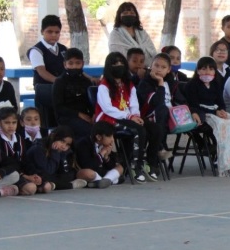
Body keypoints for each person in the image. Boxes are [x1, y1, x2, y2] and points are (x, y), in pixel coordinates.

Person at [94, 52, 161, 183]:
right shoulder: (104, 85)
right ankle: (136, 166)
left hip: (128, 117)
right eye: (115, 64)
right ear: (109, 67)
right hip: (109, 119)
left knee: (155, 129)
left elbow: (134, 103)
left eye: (121, 63)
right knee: (138, 130)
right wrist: (129, 116)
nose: (118, 66)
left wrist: (135, 115)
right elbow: (107, 108)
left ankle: (151, 164)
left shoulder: (128, 84)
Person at [183, 57, 230, 176]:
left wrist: (222, 111)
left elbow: (221, 102)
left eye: (211, 69)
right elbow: (192, 105)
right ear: (197, 70)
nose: (207, 72)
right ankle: (220, 157)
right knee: (222, 125)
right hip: (202, 113)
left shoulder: (215, 84)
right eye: (203, 69)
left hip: (215, 111)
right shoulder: (191, 85)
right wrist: (215, 113)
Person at [135, 53, 176, 161]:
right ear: (151, 66)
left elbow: (180, 100)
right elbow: (157, 102)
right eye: (156, 65)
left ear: (168, 70)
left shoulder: (171, 82)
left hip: (169, 116)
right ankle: (160, 147)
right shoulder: (145, 83)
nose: (159, 69)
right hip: (148, 115)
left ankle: (159, 147)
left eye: (163, 67)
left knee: (166, 112)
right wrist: (160, 84)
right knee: (162, 110)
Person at [53, 48, 94, 139]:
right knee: (89, 131)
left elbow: (90, 103)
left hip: (85, 116)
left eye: (78, 63)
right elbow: (59, 107)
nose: (74, 67)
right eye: (70, 63)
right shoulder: (59, 82)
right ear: (65, 64)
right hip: (66, 117)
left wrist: (93, 115)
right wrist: (79, 114)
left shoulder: (86, 81)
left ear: (82, 64)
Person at [74, 121, 123, 188]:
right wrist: (101, 154)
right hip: (89, 173)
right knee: (88, 173)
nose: (112, 140)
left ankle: (102, 181)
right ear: (98, 137)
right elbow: (88, 166)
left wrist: (106, 158)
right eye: (109, 136)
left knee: (120, 167)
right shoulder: (83, 144)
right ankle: (109, 181)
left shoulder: (106, 145)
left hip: (102, 173)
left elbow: (111, 166)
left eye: (113, 136)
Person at [27, 15, 67, 86]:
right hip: (45, 89)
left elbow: (73, 66)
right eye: (50, 32)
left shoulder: (63, 49)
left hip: (61, 89)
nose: (54, 35)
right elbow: (42, 72)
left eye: (57, 32)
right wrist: (60, 82)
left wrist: (90, 78)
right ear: (42, 32)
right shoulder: (36, 51)